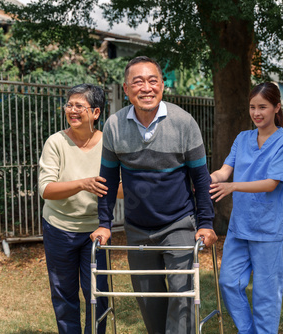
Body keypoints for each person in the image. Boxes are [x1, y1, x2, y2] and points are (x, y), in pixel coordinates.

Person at [92, 56, 218, 334]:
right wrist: (104, 223)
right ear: (126, 89)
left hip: (178, 224)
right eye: (138, 82)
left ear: (162, 86)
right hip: (138, 229)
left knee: (181, 295)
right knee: (149, 302)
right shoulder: (114, 126)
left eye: (152, 81)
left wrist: (206, 223)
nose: (146, 88)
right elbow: (109, 180)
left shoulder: (183, 122)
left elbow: (200, 177)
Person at [210, 82, 283, 334]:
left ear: (276, 107)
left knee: (265, 294)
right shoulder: (242, 138)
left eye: (263, 107)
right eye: (252, 107)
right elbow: (224, 171)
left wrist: (233, 186)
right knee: (228, 282)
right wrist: (209, 179)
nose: (257, 113)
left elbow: (271, 183)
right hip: (241, 227)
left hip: (270, 229)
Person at [38, 84, 109, 334]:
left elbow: (122, 187)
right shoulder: (56, 142)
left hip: (97, 231)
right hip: (60, 228)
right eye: (69, 105)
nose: (72, 110)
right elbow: (46, 189)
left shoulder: (108, 143)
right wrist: (83, 184)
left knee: (98, 295)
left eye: (80, 106)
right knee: (64, 295)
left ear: (96, 112)